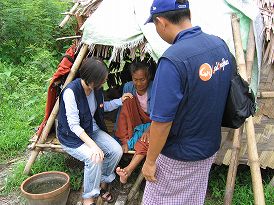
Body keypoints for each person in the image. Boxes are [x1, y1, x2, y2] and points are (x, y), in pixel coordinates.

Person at [142, 0, 233, 204]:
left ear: (161, 22)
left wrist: (149, 161)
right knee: (192, 199)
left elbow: (162, 122)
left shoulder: (173, 60)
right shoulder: (219, 46)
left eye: (155, 25)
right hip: (208, 147)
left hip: (179, 156)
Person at [57, 57, 133, 205]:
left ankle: (100, 184)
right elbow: (74, 126)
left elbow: (102, 107)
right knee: (94, 157)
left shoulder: (95, 89)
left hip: (91, 129)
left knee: (116, 150)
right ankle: (88, 198)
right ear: (92, 79)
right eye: (102, 79)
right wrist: (93, 146)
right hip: (72, 137)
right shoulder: (71, 92)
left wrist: (120, 101)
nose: (105, 82)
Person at [114, 62, 153, 184]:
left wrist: (149, 129)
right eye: (135, 79)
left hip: (153, 123)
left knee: (148, 140)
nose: (139, 83)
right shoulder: (128, 88)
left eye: (142, 79)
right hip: (136, 122)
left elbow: (162, 114)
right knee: (127, 100)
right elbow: (123, 115)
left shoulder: (155, 88)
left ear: (148, 78)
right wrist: (124, 140)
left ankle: (128, 170)